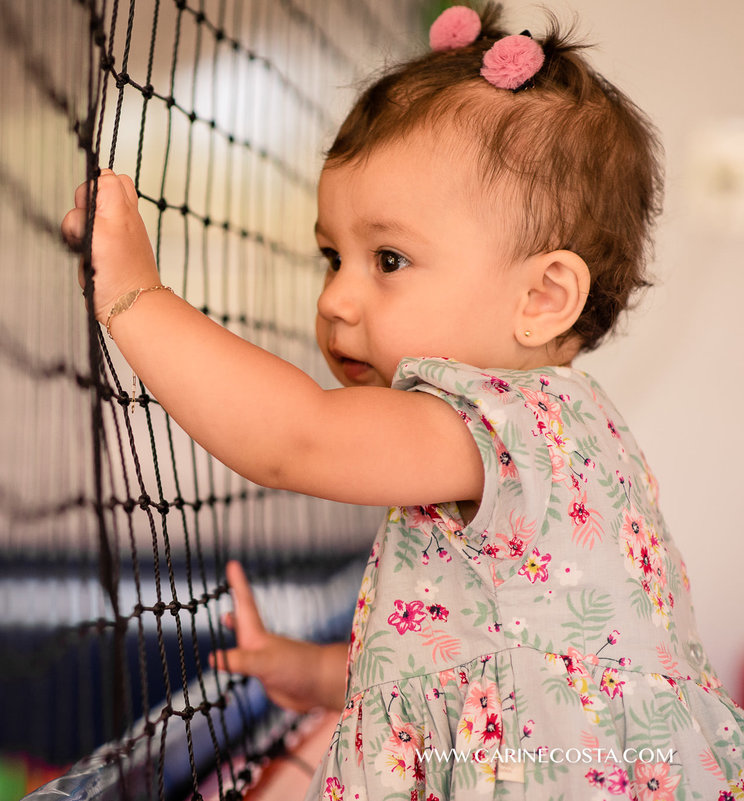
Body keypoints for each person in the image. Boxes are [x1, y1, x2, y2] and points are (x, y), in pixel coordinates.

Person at [60, 3, 744, 797]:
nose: (338, 301)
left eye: (387, 258)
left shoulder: (484, 420)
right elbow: (483, 649)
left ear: (544, 295)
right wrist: (321, 673)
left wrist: (138, 296)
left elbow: (294, 438)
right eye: (331, 256)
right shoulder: (575, 424)